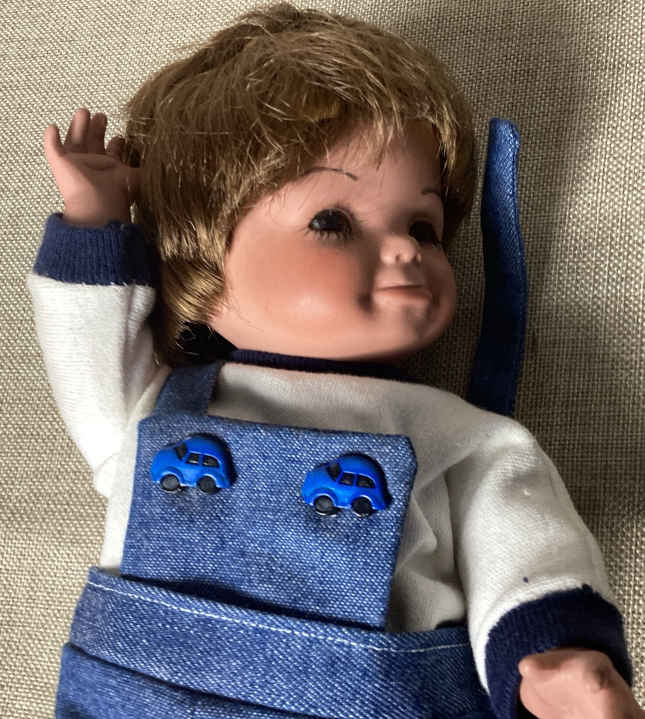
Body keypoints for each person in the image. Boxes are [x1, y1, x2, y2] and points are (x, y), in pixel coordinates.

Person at [28, 3, 642, 718]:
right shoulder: (156, 408)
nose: (406, 248)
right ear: (203, 258)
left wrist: (551, 652)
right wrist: (94, 227)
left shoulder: (463, 437)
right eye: (332, 221)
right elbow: (85, 349)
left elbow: (524, 545)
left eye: (423, 226)